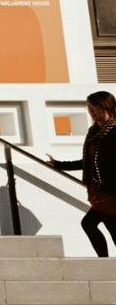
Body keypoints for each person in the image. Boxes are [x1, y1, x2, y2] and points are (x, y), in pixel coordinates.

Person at [53, 90, 116, 257]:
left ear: (105, 107)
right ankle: (105, 263)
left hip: (112, 193)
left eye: (93, 107)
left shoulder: (114, 132)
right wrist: (59, 164)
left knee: (91, 224)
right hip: (99, 191)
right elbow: (87, 162)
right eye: (88, 108)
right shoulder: (94, 133)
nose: (90, 112)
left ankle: (105, 263)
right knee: (94, 225)